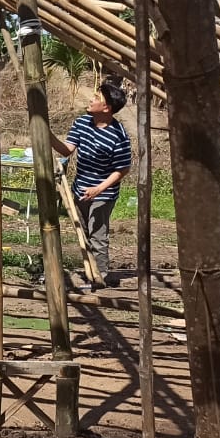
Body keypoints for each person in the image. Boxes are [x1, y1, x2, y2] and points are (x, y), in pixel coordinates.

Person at [51, 77, 131, 288]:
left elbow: (122, 169)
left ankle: (100, 276)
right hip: (80, 187)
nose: (91, 99)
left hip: (103, 192)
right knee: (83, 231)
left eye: (96, 97)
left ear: (107, 107)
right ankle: (90, 270)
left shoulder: (118, 135)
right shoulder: (82, 123)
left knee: (98, 233)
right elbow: (67, 149)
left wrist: (98, 189)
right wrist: (47, 136)